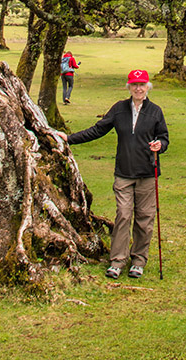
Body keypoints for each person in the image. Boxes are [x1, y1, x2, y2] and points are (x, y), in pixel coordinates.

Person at [57, 69, 168, 279]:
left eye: (142, 84)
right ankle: (117, 260)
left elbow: (164, 137)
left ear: (148, 87)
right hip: (124, 174)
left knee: (144, 219)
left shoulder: (155, 112)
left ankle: (138, 260)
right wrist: (69, 138)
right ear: (129, 87)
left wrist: (159, 145)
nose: (138, 88)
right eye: (134, 85)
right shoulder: (119, 109)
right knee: (123, 215)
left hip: (147, 173)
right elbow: (98, 130)